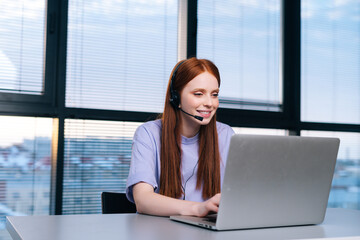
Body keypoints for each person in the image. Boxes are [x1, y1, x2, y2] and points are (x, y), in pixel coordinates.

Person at [126, 57, 234, 217]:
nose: (210, 103)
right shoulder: (148, 133)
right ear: (176, 98)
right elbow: (143, 199)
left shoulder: (225, 135)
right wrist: (198, 209)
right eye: (199, 94)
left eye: (214, 94)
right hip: (160, 231)